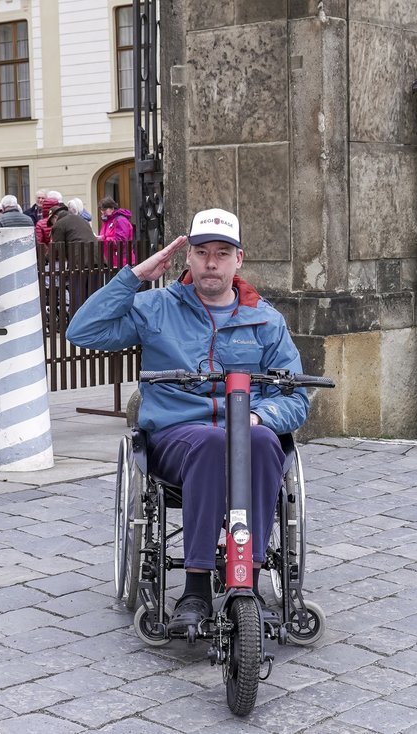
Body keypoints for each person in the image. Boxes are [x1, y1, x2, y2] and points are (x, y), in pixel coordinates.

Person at [66, 208, 308, 632]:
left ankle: (245, 577)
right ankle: (196, 586)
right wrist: (134, 276)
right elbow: (82, 332)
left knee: (270, 441)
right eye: (201, 252)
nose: (211, 262)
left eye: (222, 252)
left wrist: (258, 415)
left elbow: (295, 397)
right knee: (213, 443)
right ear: (187, 258)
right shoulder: (155, 307)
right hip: (177, 438)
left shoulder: (266, 320)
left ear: (239, 259)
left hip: (247, 433)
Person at [50, 200, 101, 312]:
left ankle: (78, 325)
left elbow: (57, 249)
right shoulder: (81, 219)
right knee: (95, 297)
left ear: (55, 218)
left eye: (52, 222)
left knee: (78, 298)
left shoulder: (59, 224)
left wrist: (45, 259)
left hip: (79, 263)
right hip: (98, 260)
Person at [97, 196, 134, 267]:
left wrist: (103, 239)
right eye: (101, 210)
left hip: (122, 261)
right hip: (111, 261)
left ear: (112, 208)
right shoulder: (107, 221)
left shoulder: (120, 220)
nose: (102, 212)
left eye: (105, 209)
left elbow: (120, 241)